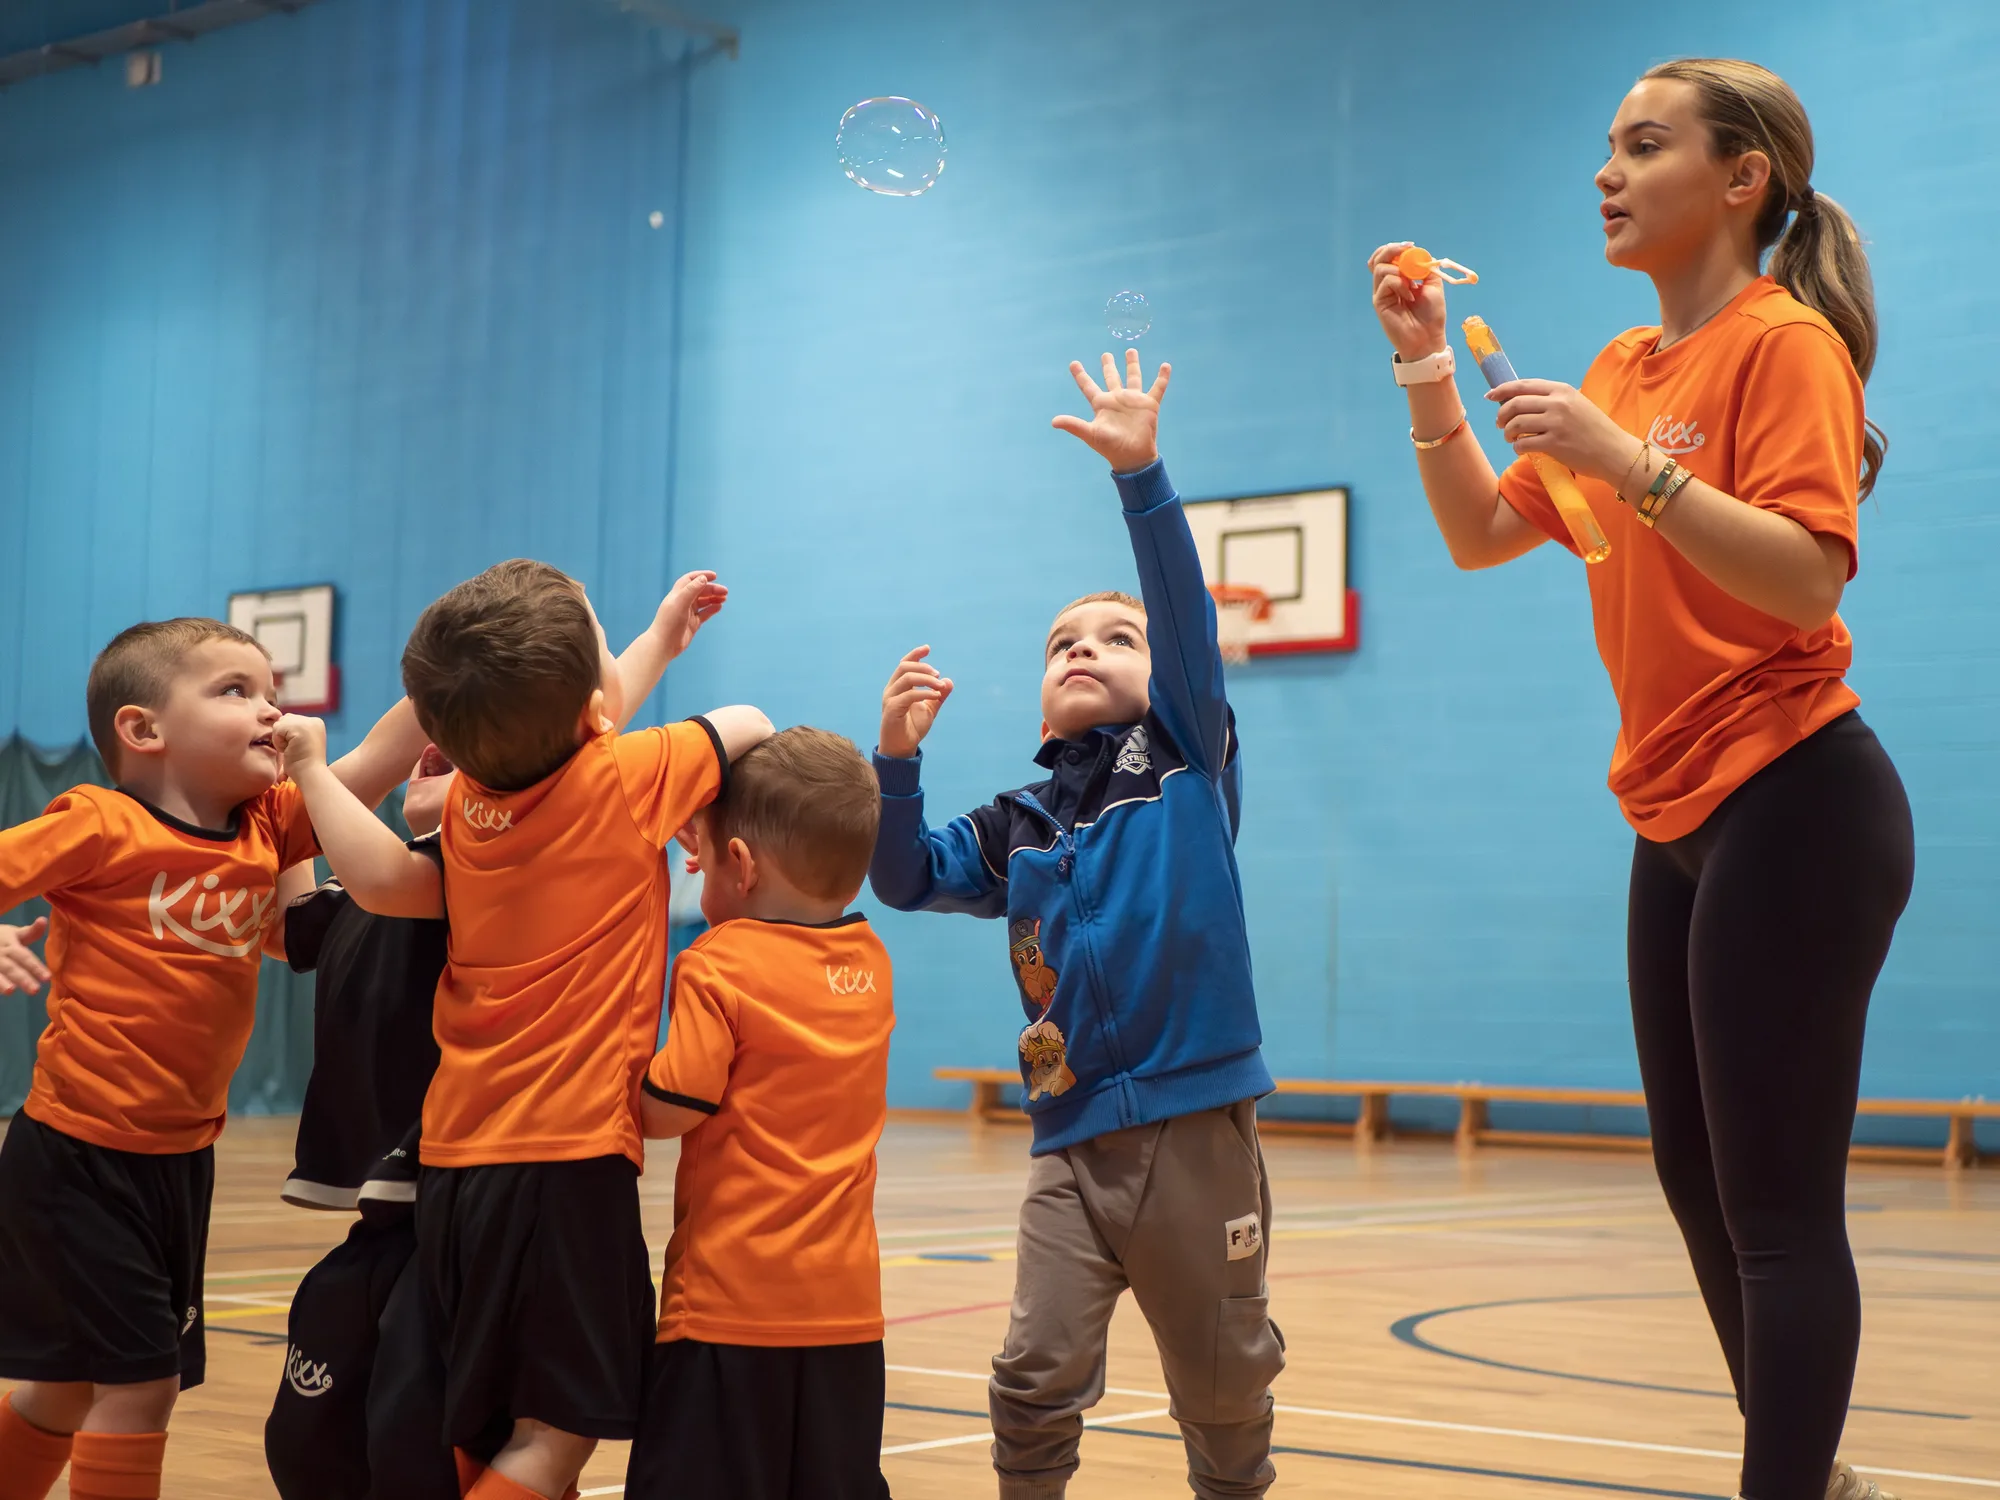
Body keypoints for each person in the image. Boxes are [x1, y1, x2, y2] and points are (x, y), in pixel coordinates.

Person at [1368, 57, 1911, 1500]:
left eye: (1645, 145)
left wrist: (1631, 465)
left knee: (1780, 1208)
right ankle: (1809, 1470)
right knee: (1697, 1186)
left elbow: (1802, 581)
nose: (1607, 172)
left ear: (1744, 181)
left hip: (1798, 795)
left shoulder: (1783, 344)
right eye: (1606, 146)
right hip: (1672, 813)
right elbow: (1484, 533)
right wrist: (1428, 364)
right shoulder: (1621, 364)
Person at [870, 352, 1284, 1500]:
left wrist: (1139, 474)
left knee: (1219, 1385)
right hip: (1066, 1143)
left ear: (1165, 675)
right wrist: (894, 763)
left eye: (1113, 636)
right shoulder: (1017, 821)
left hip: (1196, 1123)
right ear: (1039, 694)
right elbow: (901, 876)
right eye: (1062, 645)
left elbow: (1184, 620)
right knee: (1031, 1371)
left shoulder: (1186, 756)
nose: (1083, 651)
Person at [274, 563, 772, 1500]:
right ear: (596, 712)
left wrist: (308, 769)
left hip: (455, 1164)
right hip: (568, 1164)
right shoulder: (628, 779)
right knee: (559, 1431)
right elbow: (748, 723)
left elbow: (379, 879)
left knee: (487, 1414)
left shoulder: (466, 809)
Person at [0, 616, 424, 1500]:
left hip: (180, 1162)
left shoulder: (270, 825)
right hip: (77, 1158)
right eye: (236, 691)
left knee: (67, 1386)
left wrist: (473, 650)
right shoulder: (98, 822)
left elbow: (390, 747)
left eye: (274, 691)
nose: (271, 709)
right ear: (143, 730)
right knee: (140, 1384)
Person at [626, 727, 893, 1500]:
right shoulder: (870, 962)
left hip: (728, 1308)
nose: (693, 866)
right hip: (847, 1314)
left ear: (740, 867)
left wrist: (603, 1078)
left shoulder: (718, 961)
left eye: (701, 855)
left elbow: (673, 1105)